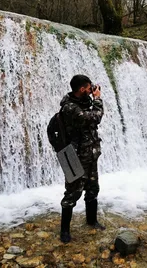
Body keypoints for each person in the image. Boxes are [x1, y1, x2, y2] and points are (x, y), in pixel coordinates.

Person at [58, 74, 105, 243]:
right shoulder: (70, 108)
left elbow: (88, 113)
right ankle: (64, 232)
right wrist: (98, 99)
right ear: (81, 89)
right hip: (73, 157)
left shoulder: (81, 102)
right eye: (88, 87)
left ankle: (92, 221)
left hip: (90, 154)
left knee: (93, 189)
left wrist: (91, 97)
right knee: (71, 194)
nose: (91, 89)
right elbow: (95, 117)